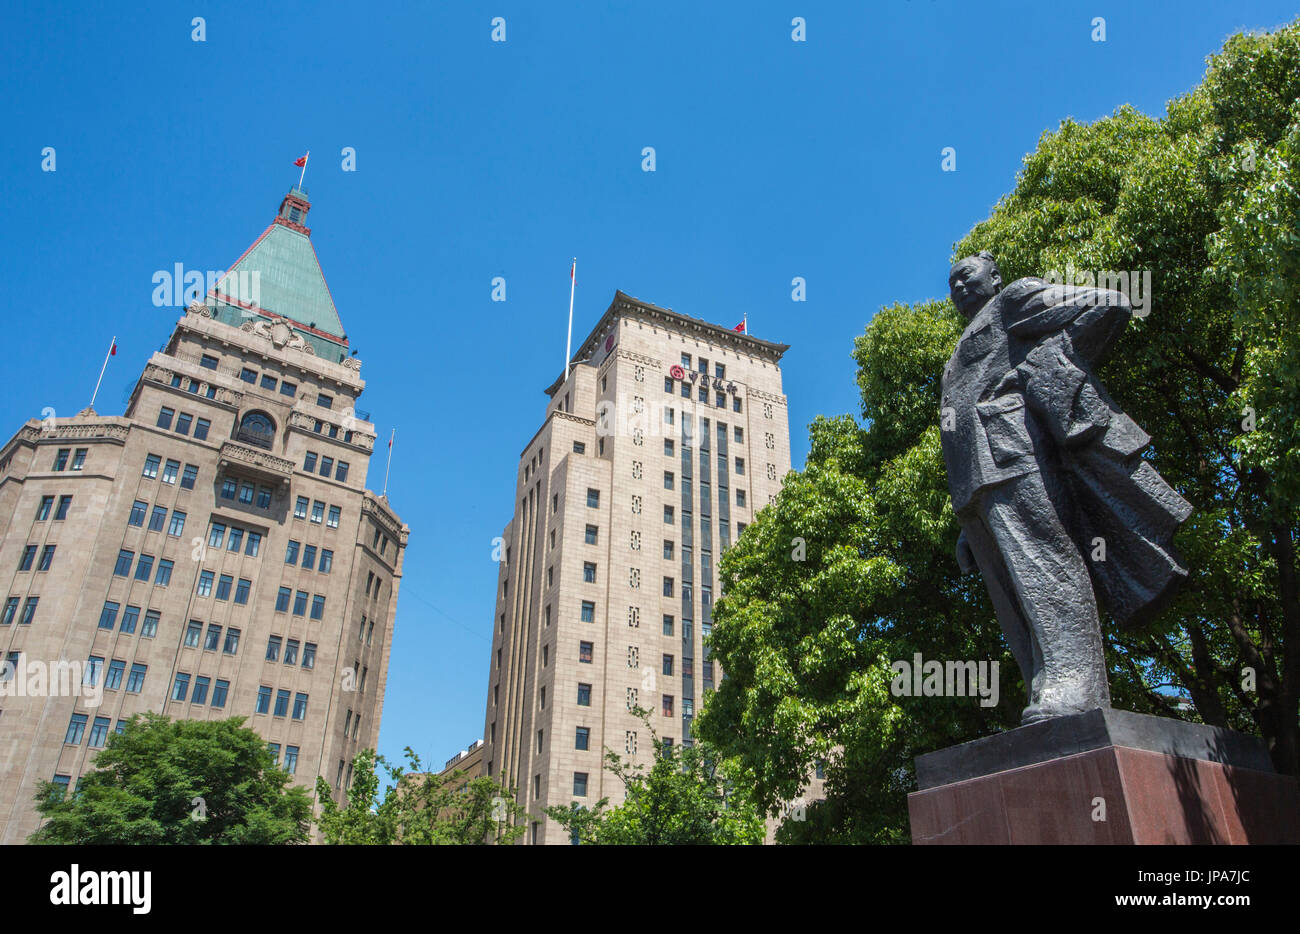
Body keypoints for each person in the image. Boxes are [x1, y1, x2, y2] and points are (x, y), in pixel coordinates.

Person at [941, 252, 1191, 724]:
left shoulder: (1013, 301)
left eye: (965, 276)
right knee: (1013, 599)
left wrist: (1040, 369)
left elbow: (1108, 304)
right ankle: (1043, 684)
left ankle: (1075, 683)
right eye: (950, 282)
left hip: (1016, 458)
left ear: (994, 277)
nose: (956, 286)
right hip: (976, 488)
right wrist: (964, 516)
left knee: (1046, 564)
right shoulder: (957, 351)